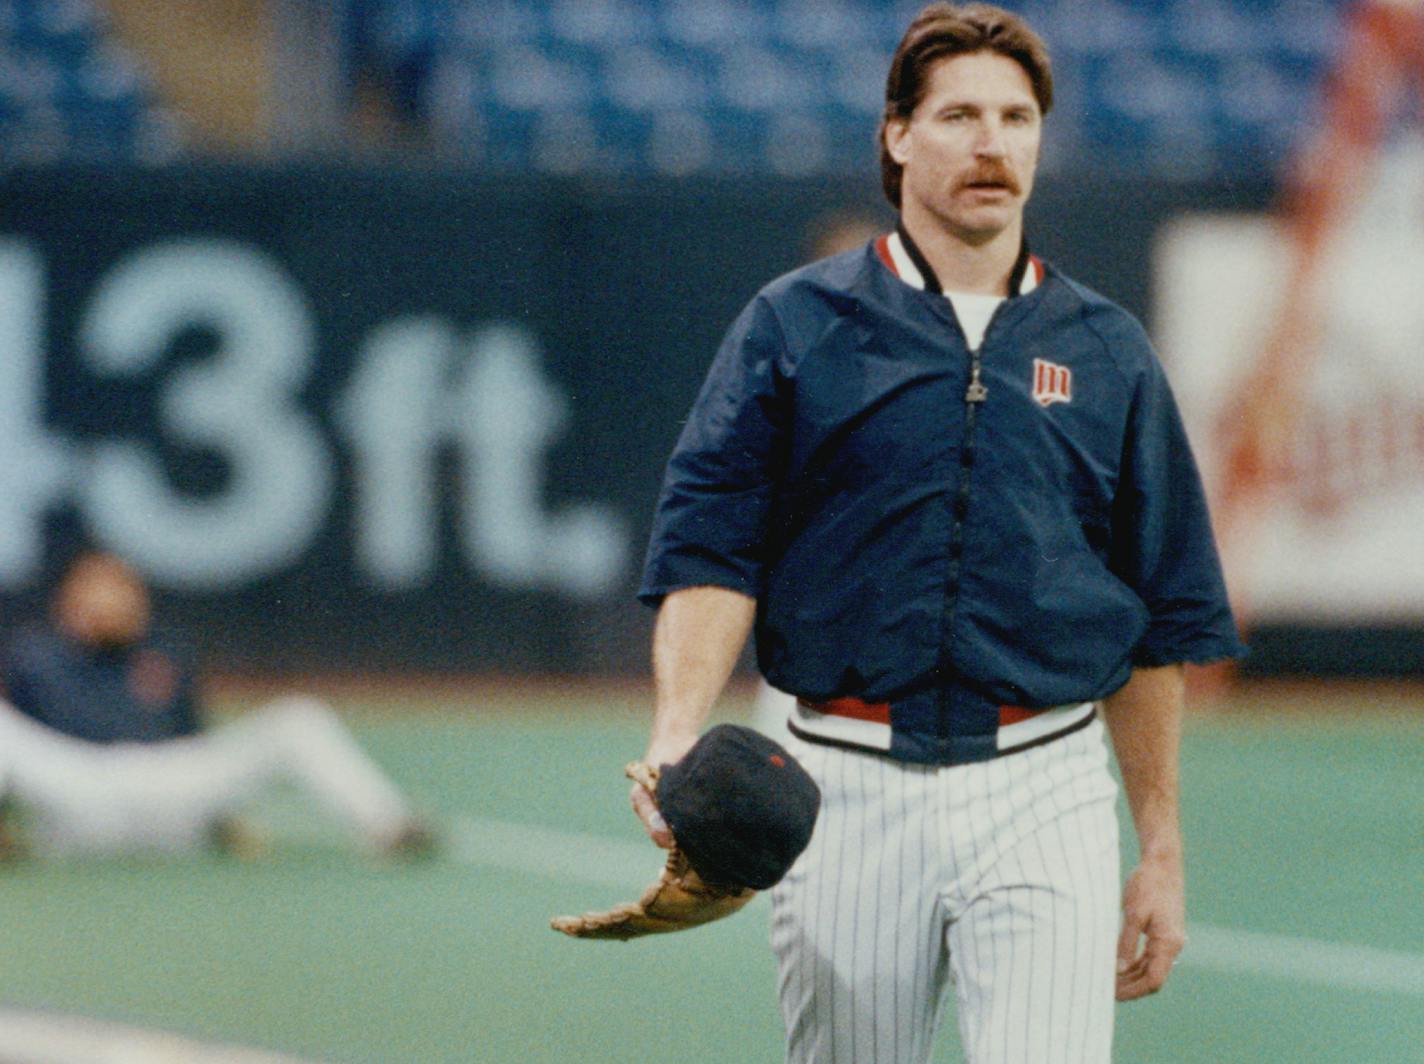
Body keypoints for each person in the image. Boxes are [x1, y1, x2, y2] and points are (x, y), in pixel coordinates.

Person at [630, 5, 1244, 1063]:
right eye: (957, 114)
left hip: (1043, 783)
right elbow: (710, 547)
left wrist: (1160, 845)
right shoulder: (793, 323)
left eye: (1015, 117)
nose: (990, 143)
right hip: (841, 783)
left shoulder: (1107, 351)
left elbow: (1151, 613)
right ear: (897, 135)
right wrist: (676, 729)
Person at [0, 550, 433, 859]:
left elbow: (192, 736)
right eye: (99, 587)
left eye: (123, 588)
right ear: (70, 598)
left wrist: (222, 814)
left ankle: (391, 826)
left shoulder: (166, 651)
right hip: (79, 792)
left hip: (172, 789)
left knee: (296, 717)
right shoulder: (37, 654)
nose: (115, 599)